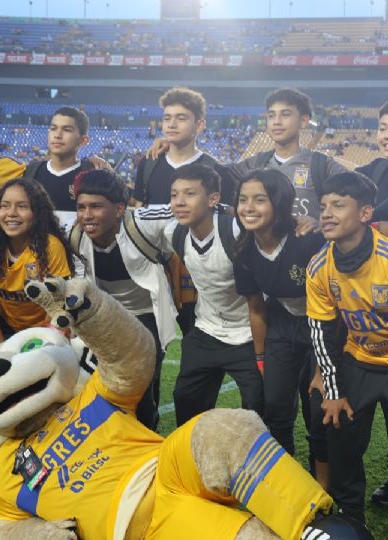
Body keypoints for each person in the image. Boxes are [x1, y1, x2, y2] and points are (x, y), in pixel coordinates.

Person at [306, 171, 388, 536]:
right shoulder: (319, 266)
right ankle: (349, 511)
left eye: (338, 205)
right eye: (323, 207)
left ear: (365, 213)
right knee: (338, 427)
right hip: (359, 361)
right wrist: (333, 392)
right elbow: (320, 333)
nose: (327, 214)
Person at [133, 163, 264, 426]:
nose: (179, 202)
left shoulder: (236, 232)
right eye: (174, 194)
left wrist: (262, 355)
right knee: (186, 401)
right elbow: (127, 220)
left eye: (190, 194)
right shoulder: (174, 232)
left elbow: (259, 298)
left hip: (249, 334)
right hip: (207, 330)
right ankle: (192, 461)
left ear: (213, 199)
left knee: (260, 409)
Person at [233, 168, 329, 488]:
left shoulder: (308, 239)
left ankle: (323, 486)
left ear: (280, 202)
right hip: (282, 325)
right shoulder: (244, 250)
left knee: (319, 410)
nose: (248, 207)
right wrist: (261, 358)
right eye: (243, 199)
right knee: (274, 408)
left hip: (323, 326)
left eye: (260, 199)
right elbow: (256, 307)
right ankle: (287, 483)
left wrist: (324, 364)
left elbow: (331, 304)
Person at [70, 169, 178, 431]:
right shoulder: (75, 236)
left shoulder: (141, 223)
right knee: (106, 381)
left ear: (120, 208)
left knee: (138, 382)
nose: (86, 215)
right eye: (81, 207)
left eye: (96, 207)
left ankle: (145, 436)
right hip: (108, 316)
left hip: (148, 314)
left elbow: (185, 210)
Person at [133, 87, 235, 337]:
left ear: (199, 125)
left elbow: (227, 220)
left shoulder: (216, 170)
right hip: (153, 269)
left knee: (196, 335)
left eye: (181, 118)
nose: (172, 124)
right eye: (167, 118)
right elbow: (137, 210)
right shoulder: (148, 163)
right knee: (146, 342)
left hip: (195, 270)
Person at [0, 178, 75, 347]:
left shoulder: (50, 246)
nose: (11, 213)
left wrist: (39, 344)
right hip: (8, 329)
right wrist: (1, 347)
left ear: (37, 213)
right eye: (5, 206)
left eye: (22, 206)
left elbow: (57, 304)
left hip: (50, 331)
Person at [227, 87, 347, 219]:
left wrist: (321, 225)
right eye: (271, 115)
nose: (277, 121)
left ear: (304, 121)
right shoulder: (253, 165)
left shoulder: (322, 166)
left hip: (307, 239)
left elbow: (355, 199)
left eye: (285, 114)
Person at [23, 106, 96, 231]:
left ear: (83, 140)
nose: (57, 135)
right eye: (53, 128)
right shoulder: (30, 172)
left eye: (67, 130)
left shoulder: (92, 174)